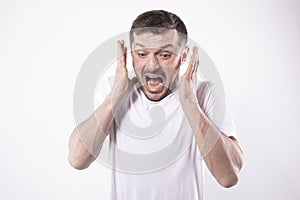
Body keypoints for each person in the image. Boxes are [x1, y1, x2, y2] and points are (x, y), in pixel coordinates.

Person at [68, 10, 243, 200]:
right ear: (130, 55)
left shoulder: (205, 93)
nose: (151, 65)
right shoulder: (113, 89)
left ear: (183, 56)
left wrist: (190, 104)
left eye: (165, 55)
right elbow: (77, 159)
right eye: (142, 53)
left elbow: (228, 177)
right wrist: (114, 98)